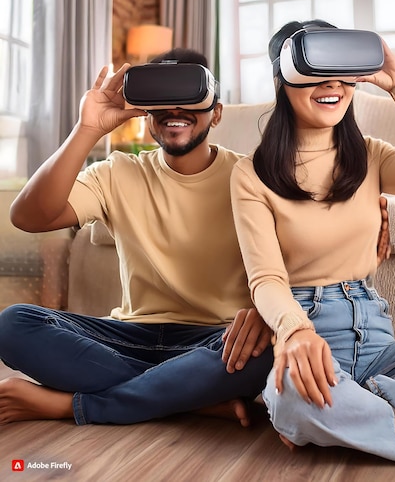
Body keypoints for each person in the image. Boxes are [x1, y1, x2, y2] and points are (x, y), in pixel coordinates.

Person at [230, 20, 395, 464]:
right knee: (290, 395)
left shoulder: (370, 154)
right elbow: (266, 277)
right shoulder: (251, 175)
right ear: (281, 79)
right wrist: (294, 331)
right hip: (306, 337)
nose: (332, 85)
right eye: (315, 69)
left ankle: (358, 410)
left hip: (379, 343)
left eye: (341, 72)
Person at [0, 48, 275, 427]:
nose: (175, 110)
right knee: (13, 324)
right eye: (162, 100)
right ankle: (190, 400)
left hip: (216, 342)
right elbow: (29, 217)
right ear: (147, 113)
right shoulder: (118, 172)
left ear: (217, 112)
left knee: (267, 350)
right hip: (131, 335)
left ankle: (75, 405)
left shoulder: (252, 175)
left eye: (189, 98)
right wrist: (88, 128)